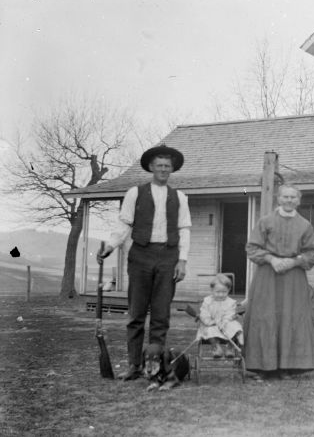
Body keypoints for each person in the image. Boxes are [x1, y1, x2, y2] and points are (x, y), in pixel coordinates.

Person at [97, 144, 192, 381]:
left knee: (161, 315)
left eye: (167, 166)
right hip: (140, 256)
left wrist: (182, 261)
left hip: (168, 257)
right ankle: (135, 365)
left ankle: (157, 365)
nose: (163, 170)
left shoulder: (179, 197)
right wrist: (111, 245)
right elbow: (124, 224)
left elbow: (185, 230)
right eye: (159, 165)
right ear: (151, 167)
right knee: (136, 314)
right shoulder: (135, 193)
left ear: (172, 169)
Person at [244, 184, 314, 380]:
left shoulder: (305, 225)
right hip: (267, 276)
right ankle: (262, 367)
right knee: (265, 317)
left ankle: (288, 366)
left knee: (291, 318)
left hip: (293, 278)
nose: (289, 200)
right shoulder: (266, 221)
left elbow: (313, 252)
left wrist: (294, 261)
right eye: (285, 197)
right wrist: (272, 259)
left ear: (298, 200)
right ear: (278, 199)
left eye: (293, 197)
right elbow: (252, 248)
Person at [195, 274, 244, 358]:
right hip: (212, 324)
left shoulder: (230, 302)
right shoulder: (207, 301)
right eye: (217, 292)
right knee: (209, 330)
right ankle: (216, 347)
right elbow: (204, 313)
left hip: (225, 324)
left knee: (235, 327)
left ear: (228, 290)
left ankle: (230, 347)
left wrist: (224, 322)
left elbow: (230, 313)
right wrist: (210, 322)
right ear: (212, 290)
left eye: (224, 292)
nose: (221, 295)